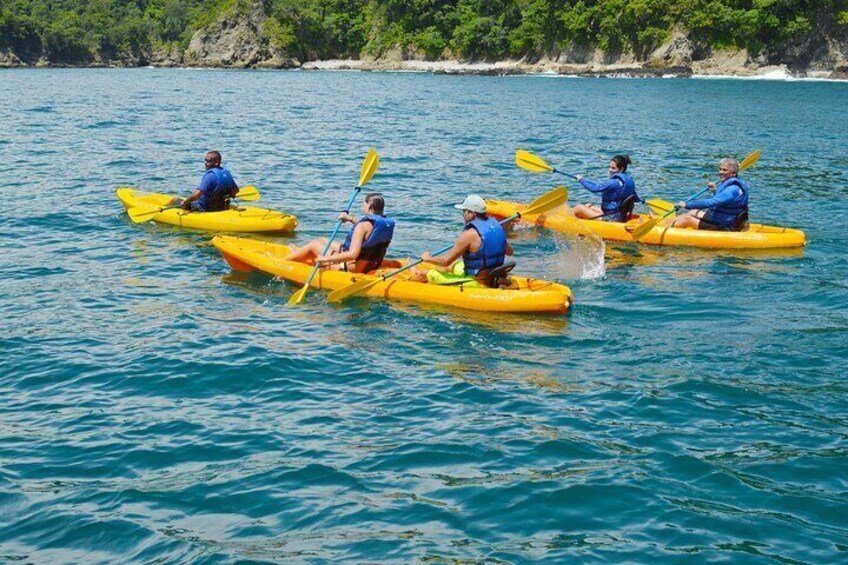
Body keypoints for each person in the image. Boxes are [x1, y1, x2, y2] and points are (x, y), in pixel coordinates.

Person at [416, 194, 514, 287]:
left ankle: (410, 280)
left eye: (464, 211)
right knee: (454, 265)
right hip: (493, 275)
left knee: (424, 273)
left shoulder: (468, 234)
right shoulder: (497, 227)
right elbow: (510, 252)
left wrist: (428, 258)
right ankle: (501, 281)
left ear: (472, 213)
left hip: (476, 282)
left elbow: (445, 261)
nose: (463, 215)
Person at [283, 193, 395, 273]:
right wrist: (349, 218)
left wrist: (325, 259)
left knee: (314, 245)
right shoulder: (384, 224)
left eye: (363, 204)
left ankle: (283, 263)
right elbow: (369, 231)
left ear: (369, 205)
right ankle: (301, 253)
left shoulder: (361, 227)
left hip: (352, 267)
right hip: (370, 263)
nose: (362, 207)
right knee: (322, 240)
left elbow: (352, 254)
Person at [669, 157, 749, 231]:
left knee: (687, 219)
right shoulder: (734, 184)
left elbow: (710, 203)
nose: (720, 172)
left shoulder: (732, 190)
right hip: (724, 218)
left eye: (725, 170)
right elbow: (724, 201)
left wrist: (687, 205)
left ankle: (664, 230)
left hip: (725, 224)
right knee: (693, 212)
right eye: (720, 169)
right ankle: (670, 225)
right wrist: (715, 190)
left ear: (733, 173)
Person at [573, 154, 640, 221]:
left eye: (613, 168)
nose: (610, 170)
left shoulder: (613, 182)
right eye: (610, 167)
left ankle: (565, 221)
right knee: (589, 205)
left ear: (621, 169)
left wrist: (581, 180)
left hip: (611, 218)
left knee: (579, 208)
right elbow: (636, 199)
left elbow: (594, 188)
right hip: (621, 215)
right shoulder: (628, 183)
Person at [169, 151, 239, 212]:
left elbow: (196, 196)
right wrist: (227, 195)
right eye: (205, 160)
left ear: (216, 162)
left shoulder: (210, 176)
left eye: (208, 161)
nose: (205, 163)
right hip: (221, 207)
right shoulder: (226, 173)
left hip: (206, 208)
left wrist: (185, 202)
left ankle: (163, 214)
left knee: (175, 200)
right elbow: (236, 190)